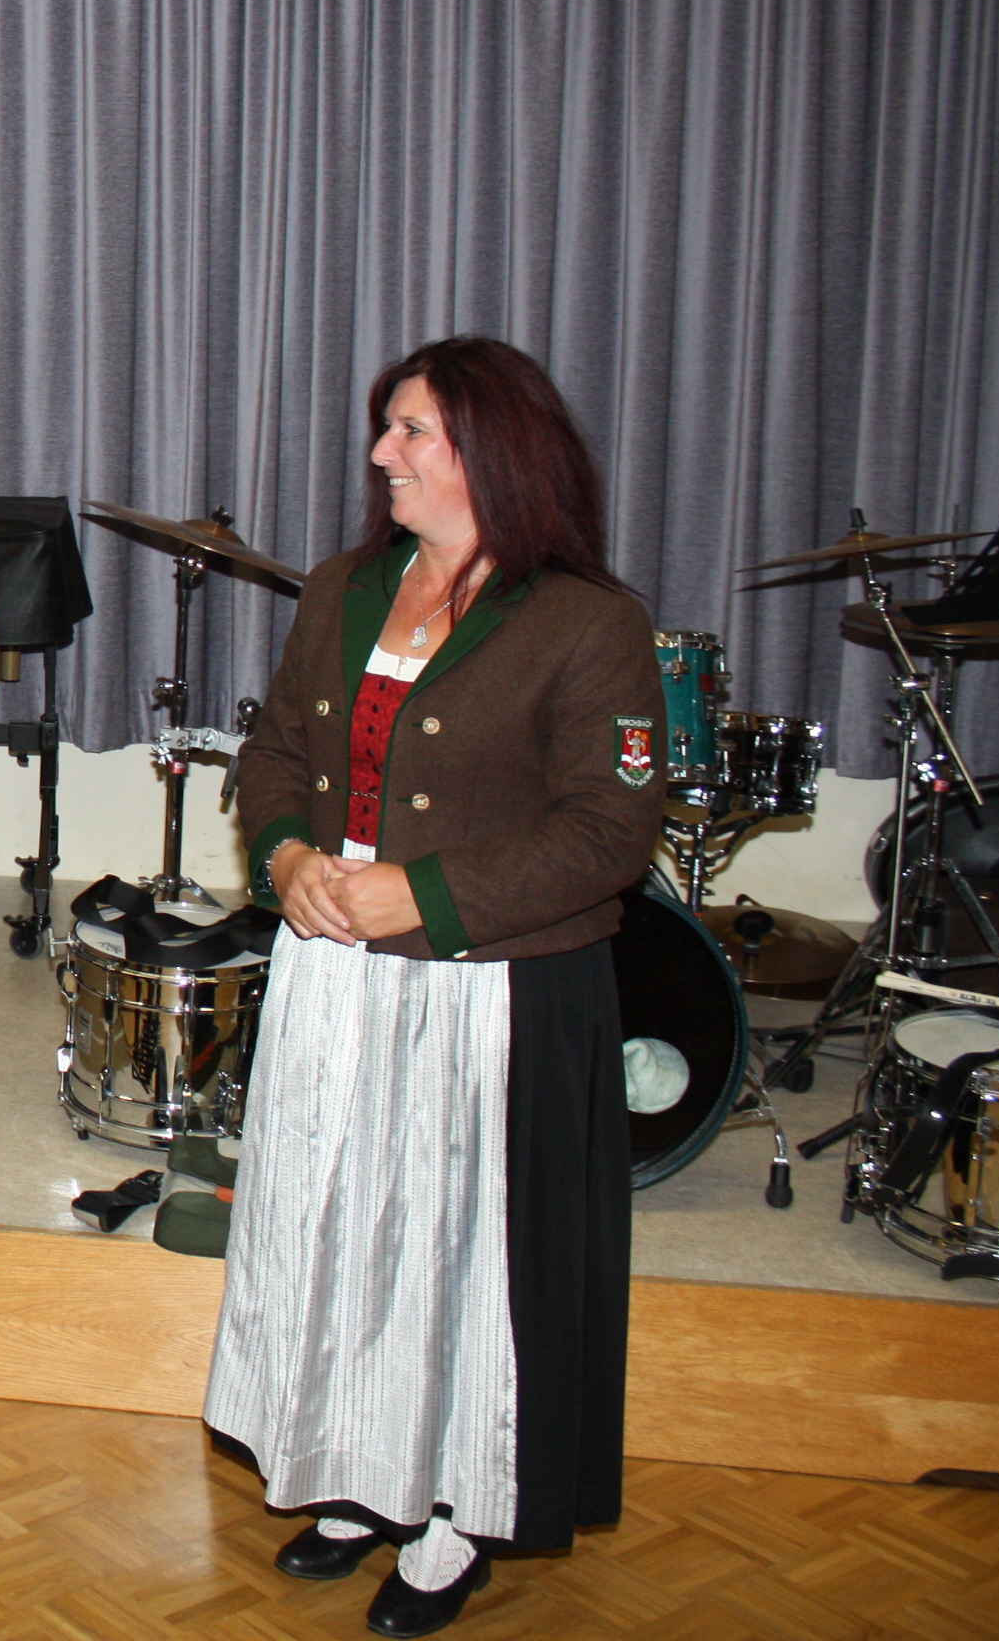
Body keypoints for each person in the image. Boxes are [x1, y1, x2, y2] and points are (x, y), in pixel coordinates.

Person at [215, 336, 666, 1638]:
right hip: (334, 975)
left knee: (455, 1260)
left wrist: (422, 895)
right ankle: (358, 1472)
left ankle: (454, 1511)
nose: (381, 454)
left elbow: (609, 833)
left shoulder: (586, 621)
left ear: (493, 449)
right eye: (387, 428)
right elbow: (276, 750)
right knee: (341, 1232)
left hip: (488, 997)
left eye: (411, 430)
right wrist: (285, 857)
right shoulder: (346, 588)